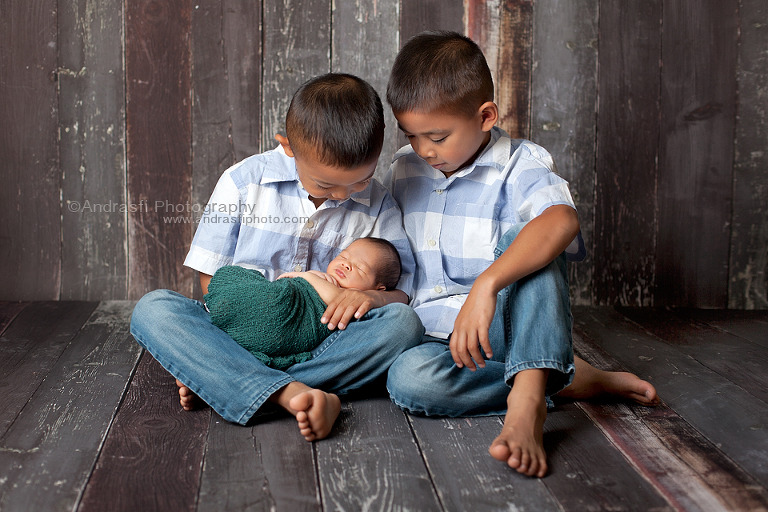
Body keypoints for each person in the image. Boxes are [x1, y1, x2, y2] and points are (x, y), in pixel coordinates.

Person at [382, 31, 659, 478]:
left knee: (533, 234)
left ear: (485, 116)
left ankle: (528, 400)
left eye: (438, 136)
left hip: (505, 323)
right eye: (412, 135)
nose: (424, 150)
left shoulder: (520, 164)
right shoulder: (404, 168)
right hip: (437, 340)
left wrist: (487, 284)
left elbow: (562, 221)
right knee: (408, 380)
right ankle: (564, 376)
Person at [130, 73, 424, 442]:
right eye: (325, 184)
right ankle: (289, 392)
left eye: (360, 181)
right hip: (239, 333)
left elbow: (402, 294)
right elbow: (212, 280)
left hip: (319, 345)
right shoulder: (242, 183)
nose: (342, 195)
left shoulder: (379, 204)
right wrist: (246, 329)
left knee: (403, 325)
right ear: (288, 147)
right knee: (154, 309)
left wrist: (367, 297)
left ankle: (226, 380)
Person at [205, 237, 402, 370]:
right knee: (232, 277)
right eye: (343, 256)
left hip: (286, 320)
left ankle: (225, 349)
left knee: (273, 304)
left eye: (360, 268)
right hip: (278, 299)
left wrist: (307, 277)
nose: (346, 264)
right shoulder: (322, 276)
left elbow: (336, 298)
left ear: (378, 288)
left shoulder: (353, 299)